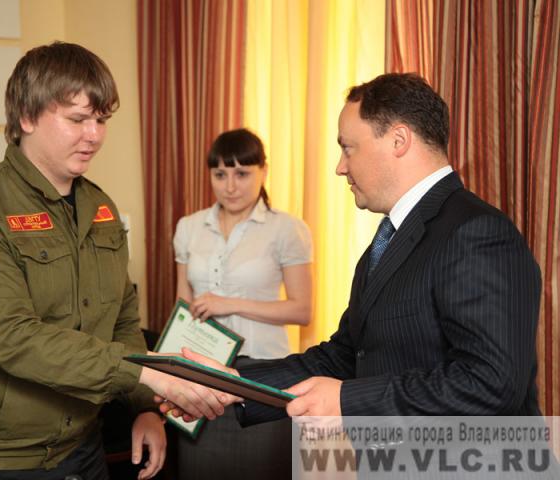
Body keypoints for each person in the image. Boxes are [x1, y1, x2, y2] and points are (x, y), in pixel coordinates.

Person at [0, 41, 226, 480]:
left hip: (81, 446)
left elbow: (122, 320)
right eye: (78, 119)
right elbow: (13, 337)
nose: (94, 135)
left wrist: (145, 408)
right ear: (26, 117)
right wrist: (150, 378)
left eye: (101, 120)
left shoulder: (100, 209)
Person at [171, 72, 542, 423]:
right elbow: (345, 357)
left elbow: (491, 382)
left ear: (399, 140)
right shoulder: (387, 240)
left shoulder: (476, 232)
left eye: (348, 149)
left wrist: (347, 400)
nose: (340, 167)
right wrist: (234, 382)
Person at [173, 128, 312, 479]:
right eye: (220, 174)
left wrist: (230, 303)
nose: (230, 186)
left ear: (263, 171)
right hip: (202, 375)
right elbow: (182, 305)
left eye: (242, 173)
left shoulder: (287, 229)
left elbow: (302, 310)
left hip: (263, 375)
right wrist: (172, 374)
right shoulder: (189, 227)